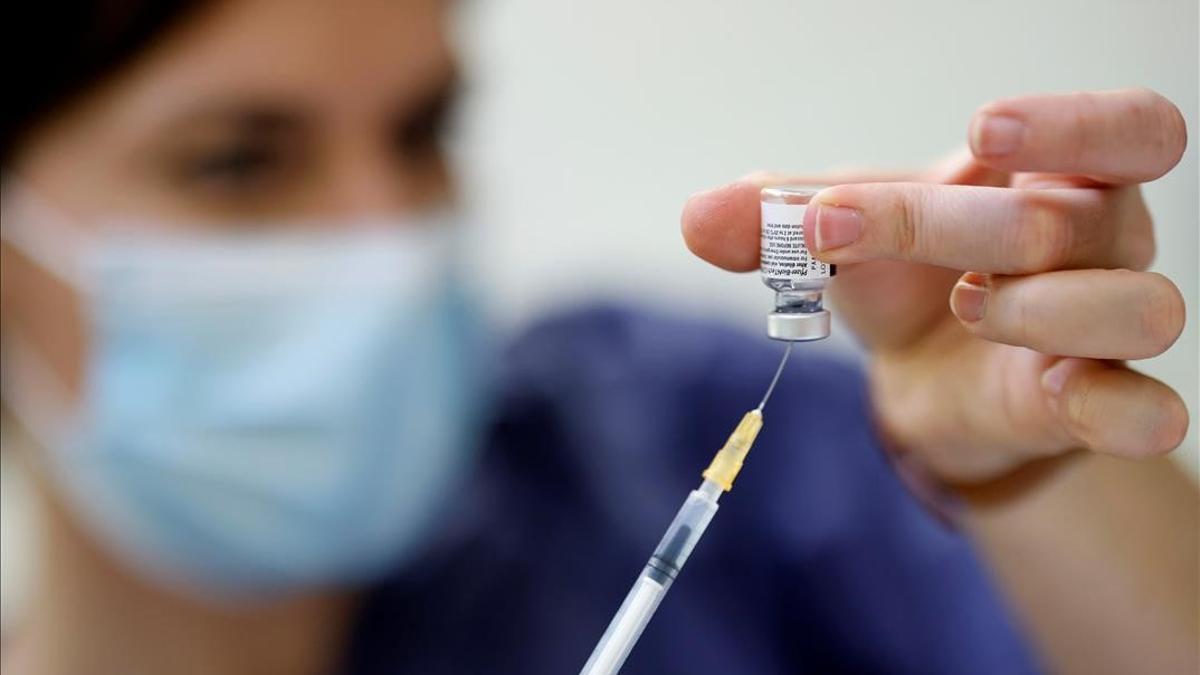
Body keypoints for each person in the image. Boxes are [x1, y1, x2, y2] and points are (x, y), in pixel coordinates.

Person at [0, 1, 1195, 674]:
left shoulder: (648, 441)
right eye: (237, 162)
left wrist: (1034, 473)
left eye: (424, 131)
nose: (390, 235)